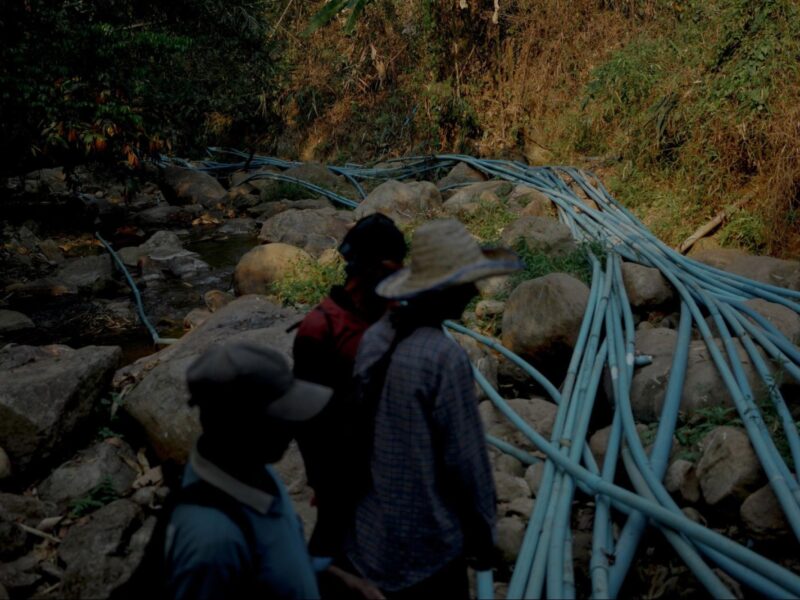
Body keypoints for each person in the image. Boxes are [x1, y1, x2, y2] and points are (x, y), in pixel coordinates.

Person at [346, 218, 522, 597]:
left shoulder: (376, 338)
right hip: (428, 551)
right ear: (446, 289)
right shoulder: (444, 358)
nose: (474, 291)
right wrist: (482, 535)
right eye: (467, 282)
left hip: (373, 542)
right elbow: (466, 461)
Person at [162, 341, 333, 600]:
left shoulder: (254, 470)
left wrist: (327, 573)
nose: (294, 428)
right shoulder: (213, 542)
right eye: (281, 416)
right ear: (240, 426)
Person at [292, 213, 407, 565]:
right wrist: (321, 481)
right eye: (390, 268)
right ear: (363, 267)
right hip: (341, 474)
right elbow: (306, 419)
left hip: (393, 469)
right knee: (334, 557)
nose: (397, 277)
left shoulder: (394, 316)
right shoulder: (320, 329)